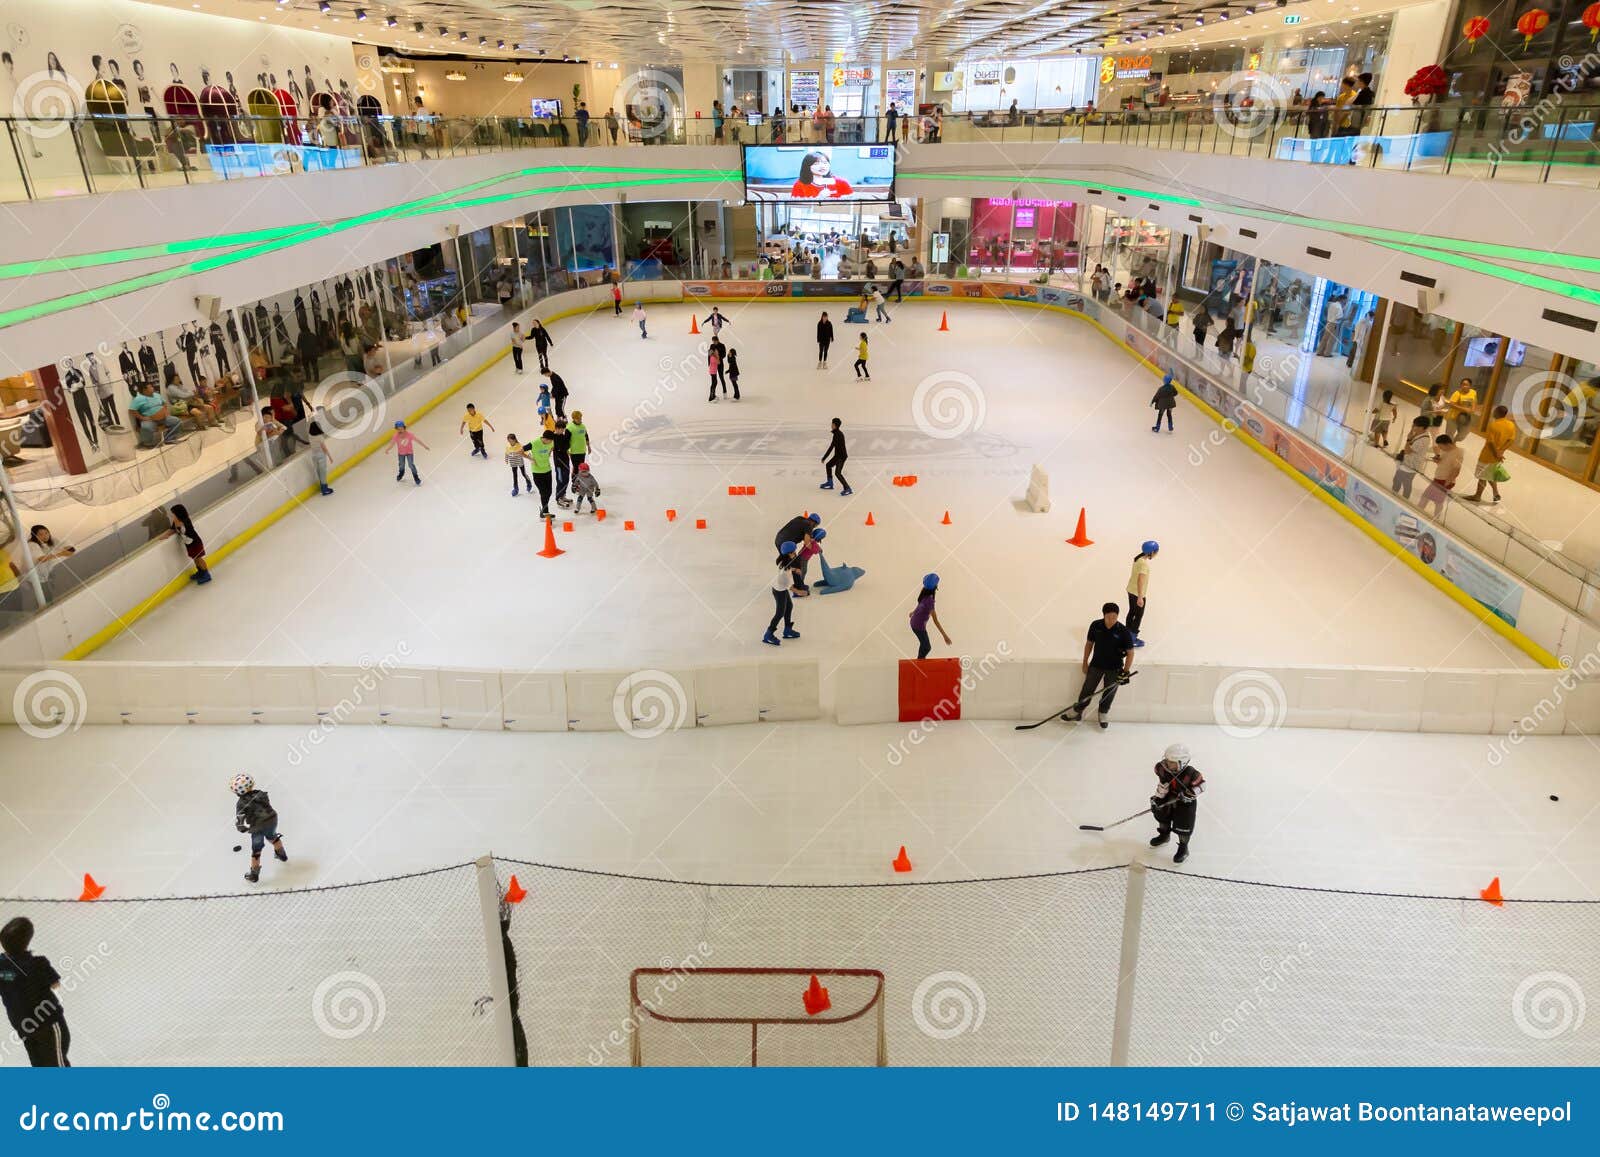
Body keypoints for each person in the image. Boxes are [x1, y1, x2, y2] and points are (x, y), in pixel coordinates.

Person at [0, 917, 70, 1066]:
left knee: (38, 1063)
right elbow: (55, 984)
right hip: (48, 1024)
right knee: (57, 1064)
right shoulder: (38, 963)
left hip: (23, 1026)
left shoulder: (1, 965)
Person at [1064, 602, 1136, 729]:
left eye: (1114, 617)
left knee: (1109, 692)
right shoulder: (1096, 625)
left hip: (1115, 668)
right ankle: (1077, 711)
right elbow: (1089, 644)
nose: (1111, 620)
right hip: (1096, 665)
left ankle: (1103, 713)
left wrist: (1125, 671)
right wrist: (1085, 662)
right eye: (1109, 617)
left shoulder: (1123, 631)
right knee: (1087, 689)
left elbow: (1130, 653)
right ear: (1103, 615)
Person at [1149, 743, 1206, 864]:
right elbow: (1163, 784)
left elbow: (1202, 786)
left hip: (1185, 801)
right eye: (1168, 760)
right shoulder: (1162, 769)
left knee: (1184, 824)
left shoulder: (1192, 773)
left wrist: (1189, 794)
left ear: (1182, 762)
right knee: (1162, 814)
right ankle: (1164, 836)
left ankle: (1183, 848)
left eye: (1172, 762)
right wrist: (1158, 798)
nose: (1168, 763)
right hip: (1169, 796)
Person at [231, 773, 288, 884]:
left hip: (257, 826)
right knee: (273, 836)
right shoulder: (261, 794)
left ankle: (254, 874)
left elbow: (240, 819)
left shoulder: (241, 803)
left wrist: (241, 828)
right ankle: (282, 855)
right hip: (272, 819)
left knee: (256, 850)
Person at [1465, 405, 1515, 504]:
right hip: (1497, 457)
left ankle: (1477, 496)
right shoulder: (1511, 425)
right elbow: (1511, 440)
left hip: (1487, 456)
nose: (1493, 413)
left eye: (1494, 411)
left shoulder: (1493, 425)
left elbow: (1490, 442)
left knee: (1482, 476)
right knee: (1489, 474)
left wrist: (1496, 453)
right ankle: (1495, 493)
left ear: (1498, 413)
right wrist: (1501, 451)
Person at [762, 542, 803, 646]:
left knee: (789, 606)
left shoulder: (784, 561)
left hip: (782, 589)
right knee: (780, 613)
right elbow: (789, 586)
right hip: (779, 591)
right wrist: (800, 592)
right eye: (794, 551)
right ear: (789, 554)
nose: (795, 552)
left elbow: (788, 569)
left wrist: (795, 569)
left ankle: (787, 629)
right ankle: (768, 634)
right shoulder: (784, 571)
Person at [165, 503, 210, 584]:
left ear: (178, 514)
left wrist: (179, 525)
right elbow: (172, 529)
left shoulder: (186, 522)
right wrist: (166, 535)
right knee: (195, 559)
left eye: (173, 514)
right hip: (189, 544)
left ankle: (206, 574)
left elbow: (186, 529)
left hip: (196, 543)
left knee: (199, 559)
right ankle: (200, 572)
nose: (172, 516)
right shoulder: (175, 522)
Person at [909, 573, 951, 660]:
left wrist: (913, 612)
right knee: (927, 647)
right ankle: (919, 662)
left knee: (924, 644)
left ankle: (920, 660)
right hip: (918, 626)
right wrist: (945, 636)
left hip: (914, 622)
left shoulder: (924, 592)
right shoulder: (930, 601)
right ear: (935, 586)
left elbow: (920, 603)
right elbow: (935, 621)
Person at [1419, 433, 1463, 517]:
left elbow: (1456, 470)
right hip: (1438, 478)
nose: (1440, 448)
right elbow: (1443, 462)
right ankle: (1433, 516)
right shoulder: (1445, 450)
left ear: (1447, 444)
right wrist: (1437, 460)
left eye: (1441, 446)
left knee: (1430, 499)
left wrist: (1447, 482)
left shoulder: (1458, 453)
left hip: (1445, 481)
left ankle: (1431, 516)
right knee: (1434, 500)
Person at [129, 382, 182, 447]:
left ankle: (169, 439)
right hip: (150, 419)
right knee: (146, 427)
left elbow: (164, 403)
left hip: (163, 417)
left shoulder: (156, 395)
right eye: (150, 387)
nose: (152, 388)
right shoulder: (138, 399)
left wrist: (165, 411)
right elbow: (132, 410)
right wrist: (142, 418)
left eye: (152, 387)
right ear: (144, 390)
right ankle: (147, 443)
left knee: (177, 421)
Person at [1391, 415, 1431, 499]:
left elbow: (1407, 451)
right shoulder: (1419, 434)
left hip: (1411, 466)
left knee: (1405, 483)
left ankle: (1403, 499)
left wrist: (1408, 439)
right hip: (1407, 462)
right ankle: (1394, 495)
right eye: (1413, 425)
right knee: (1398, 481)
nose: (1413, 427)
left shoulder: (1424, 440)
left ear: (1422, 427)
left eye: (1415, 425)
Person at [1126, 540, 1158, 645]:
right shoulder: (1144, 565)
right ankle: (1132, 638)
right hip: (1137, 593)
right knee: (1139, 615)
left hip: (1131, 590)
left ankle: (1127, 634)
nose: (1156, 554)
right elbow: (1140, 581)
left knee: (1131, 612)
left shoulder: (1138, 559)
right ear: (1151, 552)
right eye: (1156, 551)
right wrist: (1140, 597)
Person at [23, 526, 74, 590]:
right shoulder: (32, 545)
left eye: (46, 533)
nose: (45, 536)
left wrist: (69, 549)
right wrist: (61, 554)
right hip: (35, 577)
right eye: (40, 534)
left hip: (47, 572)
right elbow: (41, 559)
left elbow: (67, 547)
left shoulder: (51, 540)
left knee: (53, 589)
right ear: (34, 536)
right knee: (46, 593)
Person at [522, 429, 557, 518]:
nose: (551, 442)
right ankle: (545, 512)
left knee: (549, 492)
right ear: (545, 438)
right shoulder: (534, 443)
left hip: (547, 470)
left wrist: (549, 452)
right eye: (550, 440)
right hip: (537, 472)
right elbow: (520, 451)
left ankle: (544, 511)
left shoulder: (551, 443)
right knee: (543, 492)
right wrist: (530, 458)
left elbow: (552, 447)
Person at [385, 419, 427, 485]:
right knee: (401, 465)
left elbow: (417, 440)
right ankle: (401, 473)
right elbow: (392, 443)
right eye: (398, 429)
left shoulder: (409, 435)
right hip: (401, 454)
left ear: (404, 428)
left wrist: (424, 446)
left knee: (411, 465)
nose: (400, 430)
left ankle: (416, 477)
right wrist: (388, 449)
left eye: (401, 429)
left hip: (409, 453)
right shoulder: (396, 436)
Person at [820, 417, 852, 495]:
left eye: (832, 424)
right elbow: (832, 447)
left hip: (841, 457)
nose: (831, 425)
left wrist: (824, 457)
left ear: (835, 425)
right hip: (837, 456)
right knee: (828, 465)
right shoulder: (836, 433)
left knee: (837, 473)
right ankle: (830, 483)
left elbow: (831, 447)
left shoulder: (838, 435)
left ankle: (848, 488)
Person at [308, 420, 334, 496]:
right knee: (323, 473)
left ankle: (323, 487)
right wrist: (330, 457)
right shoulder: (320, 437)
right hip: (321, 456)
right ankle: (324, 489)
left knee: (319, 472)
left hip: (314, 456)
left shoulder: (310, 435)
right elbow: (324, 448)